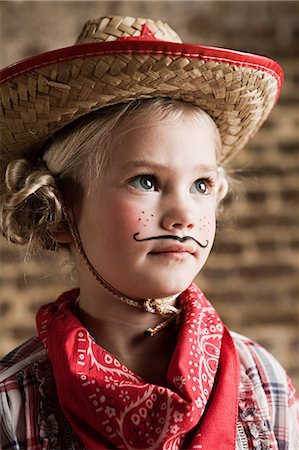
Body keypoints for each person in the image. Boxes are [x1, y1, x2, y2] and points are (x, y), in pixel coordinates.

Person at [0, 15, 298, 450]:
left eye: (201, 185)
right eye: (146, 181)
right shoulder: (13, 403)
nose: (183, 215)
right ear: (58, 210)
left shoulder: (263, 381)